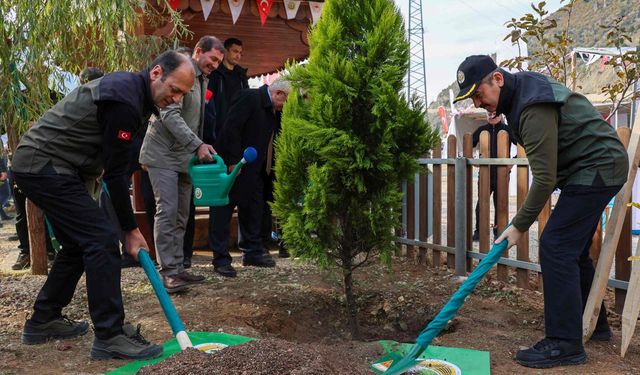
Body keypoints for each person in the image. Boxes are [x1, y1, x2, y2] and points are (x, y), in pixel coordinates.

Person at [12, 50, 195, 360]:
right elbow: (115, 175)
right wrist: (129, 229)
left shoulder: (135, 98)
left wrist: (127, 227)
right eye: (174, 89)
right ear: (156, 74)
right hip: (42, 165)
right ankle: (110, 336)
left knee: (76, 244)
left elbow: (116, 166)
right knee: (101, 240)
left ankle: (43, 319)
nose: (176, 99)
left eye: (183, 94)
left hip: (56, 167)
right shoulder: (125, 101)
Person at [453, 55, 627, 369]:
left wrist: (518, 225)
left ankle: (564, 343)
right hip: (589, 168)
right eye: (473, 99)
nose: (479, 103)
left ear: (498, 80)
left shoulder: (531, 106)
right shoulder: (520, 95)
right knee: (571, 249)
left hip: (598, 167)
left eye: (480, 93)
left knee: (555, 245)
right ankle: (595, 326)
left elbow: (544, 178)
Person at [139, 37, 224, 293]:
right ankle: (167, 273)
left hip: (184, 157)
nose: (216, 65)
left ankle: (177, 268)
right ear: (199, 52)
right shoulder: (182, 74)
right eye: (213, 59)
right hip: (162, 154)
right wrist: (197, 144)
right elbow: (170, 115)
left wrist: (195, 147)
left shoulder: (204, 79)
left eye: (219, 61)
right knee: (167, 211)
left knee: (182, 214)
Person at [209, 78, 291, 277]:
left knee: (253, 207)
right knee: (223, 210)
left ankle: (252, 251)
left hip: (255, 169)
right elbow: (231, 128)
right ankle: (220, 258)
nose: (285, 106)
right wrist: (232, 161)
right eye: (286, 101)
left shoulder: (272, 110)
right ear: (278, 93)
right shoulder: (250, 97)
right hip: (234, 165)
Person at [471, 112, 516, 241]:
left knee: (500, 204)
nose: (492, 115)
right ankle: (479, 232)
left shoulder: (507, 130)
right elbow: (468, 145)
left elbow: (521, 145)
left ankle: (499, 231)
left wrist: (512, 163)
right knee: (481, 203)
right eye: (489, 113)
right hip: (485, 174)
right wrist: (474, 161)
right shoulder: (481, 130)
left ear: (501, 115)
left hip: (502, 174)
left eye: (495, 113)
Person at [204, 37, 249, 145]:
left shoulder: (242, 75)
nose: (238, 56)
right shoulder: (214, 73)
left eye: (240, 53)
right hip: (216, 130)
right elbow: (206, 102)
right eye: (235, 51)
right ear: (225, 51)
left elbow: (247, 101)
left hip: (236, 130)